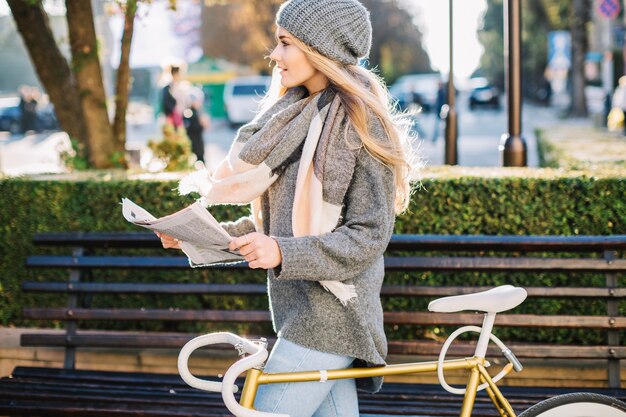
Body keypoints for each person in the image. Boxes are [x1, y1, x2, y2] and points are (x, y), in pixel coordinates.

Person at [159, 0, 417, 415]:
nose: (274, 55)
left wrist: (282, 251)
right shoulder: (289, 120)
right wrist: (197, 238)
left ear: (321, 48)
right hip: (301, 316)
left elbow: (368, 236)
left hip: (332, 320)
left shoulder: (359, 124)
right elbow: (271, 225)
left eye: (285, 43)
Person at [183, 87, 210, 164]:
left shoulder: (197, 112)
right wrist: (201, 124)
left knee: (200, 159)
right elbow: (190, 128)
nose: (199, 103)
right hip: (193, 143)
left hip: (198, 142)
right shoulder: (189, 113)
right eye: (197, 101)